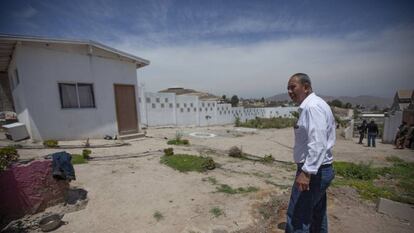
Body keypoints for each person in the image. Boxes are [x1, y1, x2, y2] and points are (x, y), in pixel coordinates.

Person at [285, 73, 335, 233]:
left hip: (313, 172)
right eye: (288, 88)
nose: (289, 91)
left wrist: (307, 172)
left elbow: (318, 143)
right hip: (320, 170)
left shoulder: (312, 107)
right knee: (317, 215)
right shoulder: (316, 104)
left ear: (306, 87)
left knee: (298, 217)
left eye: (293, 87)